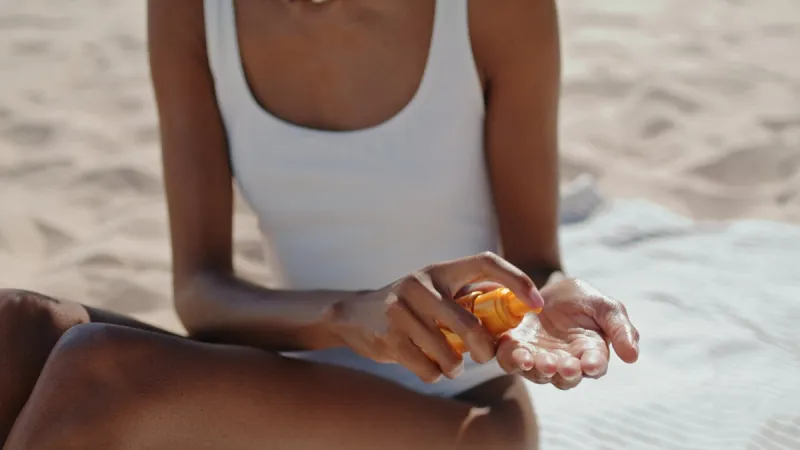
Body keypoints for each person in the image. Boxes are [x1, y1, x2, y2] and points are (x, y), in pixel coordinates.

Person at [0, 0, 640, 449]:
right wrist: (349, 316)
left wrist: (550, 294)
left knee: (98, 368)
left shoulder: (491, 9)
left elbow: (536, 262)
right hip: (297, 379)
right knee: (14, 326)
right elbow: (201, 291)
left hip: (463, 416)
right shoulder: (193, 10)